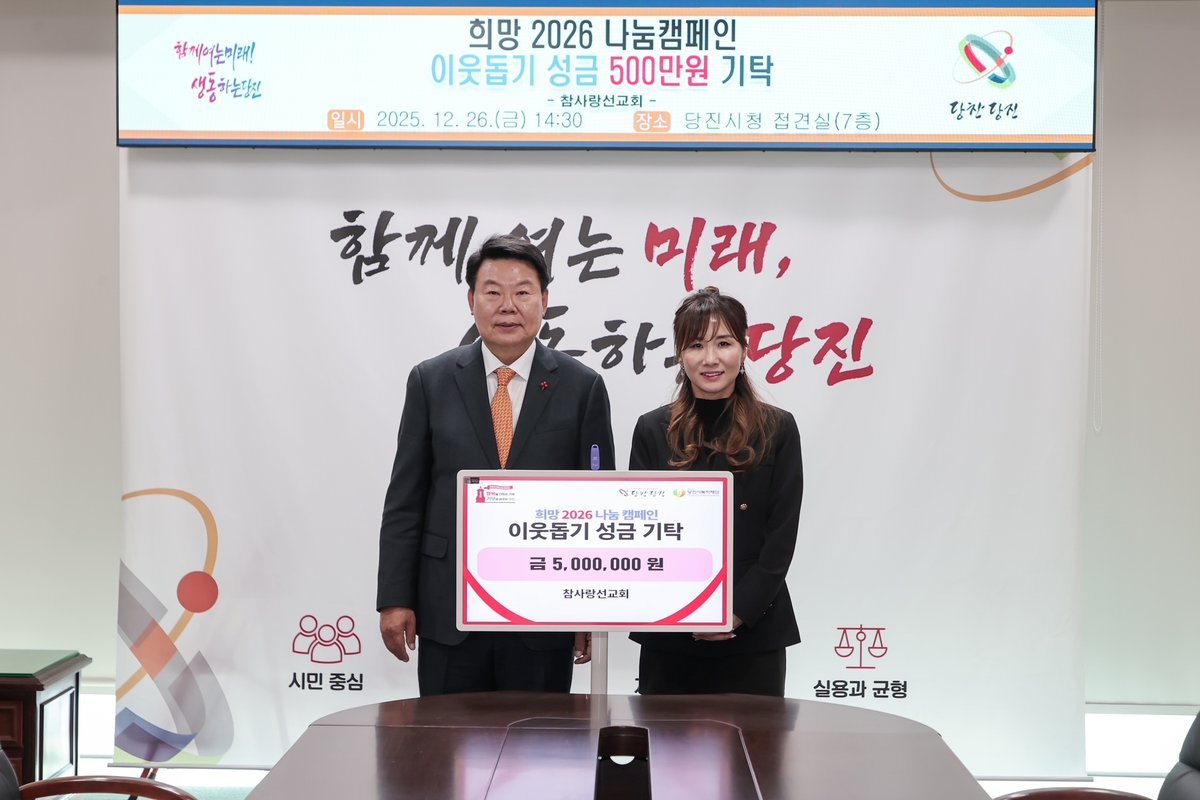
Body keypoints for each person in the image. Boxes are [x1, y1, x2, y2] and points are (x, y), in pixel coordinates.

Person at [377, 233, 615, 696]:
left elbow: (597, 505)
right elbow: (406, 499)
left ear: (544, 301)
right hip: (449, 608)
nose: (508, 306)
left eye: (523, 292)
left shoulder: (581, 387)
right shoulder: (431, 381)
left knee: (539, 737)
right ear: (472, 300)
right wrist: (395, 598)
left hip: (544, 610)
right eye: (493, 292)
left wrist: (589, 610)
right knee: (446, 739)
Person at [629, 286, 803, 696]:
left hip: (753, 631)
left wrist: (736, 611)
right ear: (680, 354)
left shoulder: (777, 428)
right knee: (664, 738)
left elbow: (780, 539)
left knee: (754, 740)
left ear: (744, 348)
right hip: (671, 632)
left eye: (724, 343)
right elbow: (640, 533)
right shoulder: (652, 429)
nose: (710, 358)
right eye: (696, 345)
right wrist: (690, 611)